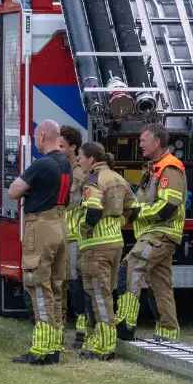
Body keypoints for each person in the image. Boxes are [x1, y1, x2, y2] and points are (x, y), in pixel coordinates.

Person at [6, 119, 71, 365]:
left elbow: (13, 191)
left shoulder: (42, 164)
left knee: (38, 285)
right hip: (60, 225)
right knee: (55, 286)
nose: (34, 141)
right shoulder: (65, 163)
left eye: (35, 136)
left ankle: (41, 348)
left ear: (43, 135)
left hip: (41, 226)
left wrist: (27, 190)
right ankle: (54, 345)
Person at [116, 123, 186, 341]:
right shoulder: (153, 167)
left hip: (160, 233)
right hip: (155, 234)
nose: (140, 144)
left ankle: (125, 323)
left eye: (143, 140)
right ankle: (168, 333)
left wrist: (138, 212)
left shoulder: (169, 168)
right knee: (160, 284)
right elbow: (141, 202)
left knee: (131, 266)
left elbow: (168, 207)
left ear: (157, 142)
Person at [74, 142, 133, 360]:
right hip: (116, 243)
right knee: (107, 291)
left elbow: (93, 210)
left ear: (91, 159)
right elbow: (133, 208)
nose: (78, 160)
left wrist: (84, 229)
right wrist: (118, 223)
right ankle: (104, 341)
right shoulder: (119, 178)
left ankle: (105, 346)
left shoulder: (93, 181)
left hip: (96, 246)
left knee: (99, 294)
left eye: (80, 156)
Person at [57, 124, 88, 349]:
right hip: (63, 234)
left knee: (76, 282)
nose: (58, 149)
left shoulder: (78, 173)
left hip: (75, 235)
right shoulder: (64, 167)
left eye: (62, 146)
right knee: (63, 282)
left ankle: (81, 330)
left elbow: (71, 202)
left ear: (74, 148)